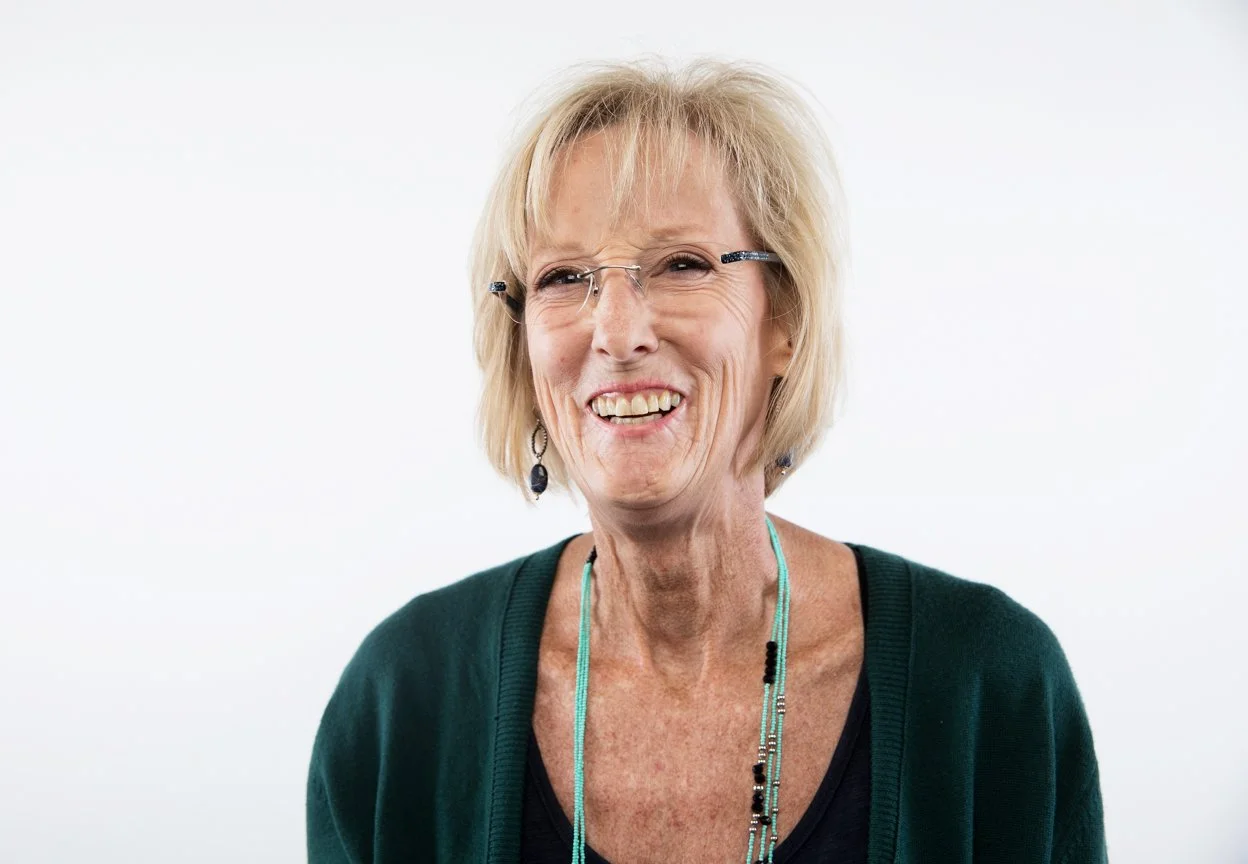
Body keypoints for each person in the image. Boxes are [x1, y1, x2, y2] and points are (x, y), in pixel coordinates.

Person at [306, 58, 1106, 864]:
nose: (617, 333)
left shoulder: (989, 688)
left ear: (783, 319)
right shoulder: (400, 707)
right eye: (564, 277)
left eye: (682, 264)